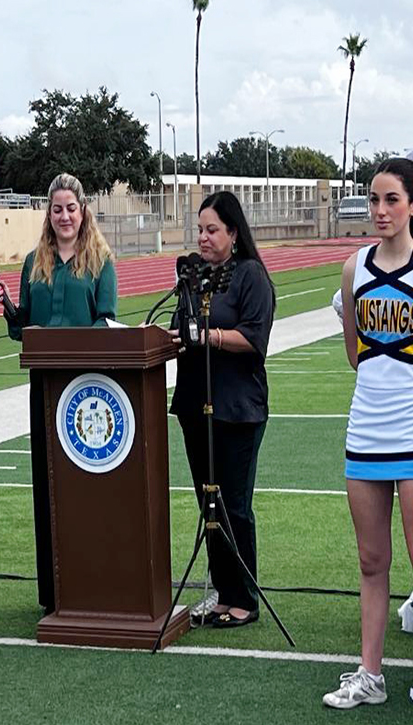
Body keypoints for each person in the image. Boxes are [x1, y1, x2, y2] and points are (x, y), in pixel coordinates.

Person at [325, 158, 413, 725]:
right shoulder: (351, 269)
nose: (379, 211)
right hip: (366, 427)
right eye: (373, 200)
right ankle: (371, 674)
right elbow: (355, 354)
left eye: (391, 200)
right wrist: (388, 371)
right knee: (370, 560)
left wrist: (409, 374)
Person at [0, 172, 117, 613]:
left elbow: (107, 322)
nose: (64, 216)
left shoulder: (101, 260)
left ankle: (90, 583)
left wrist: (72, 344)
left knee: (82, 485)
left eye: (71, 208)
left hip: (85, 393)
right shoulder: (32, 263)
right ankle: (53, 592)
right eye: (57, 208)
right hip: (42, 388)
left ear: (83, 212)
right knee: (48, 486)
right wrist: (11, 309)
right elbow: (23, 328)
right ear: (49, 213)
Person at [169, 191, 275, 628]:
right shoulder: (194, 279)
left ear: (234, 232)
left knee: (233, 504)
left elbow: (253, 340)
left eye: (213, 229)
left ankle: (243, 598)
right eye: (200, 229)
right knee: (208, 505)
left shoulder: (251, 276)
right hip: (196, 405)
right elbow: (180, 329)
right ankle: (221, 591)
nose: (204, 237)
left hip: (237, 408)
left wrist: (210, 336)